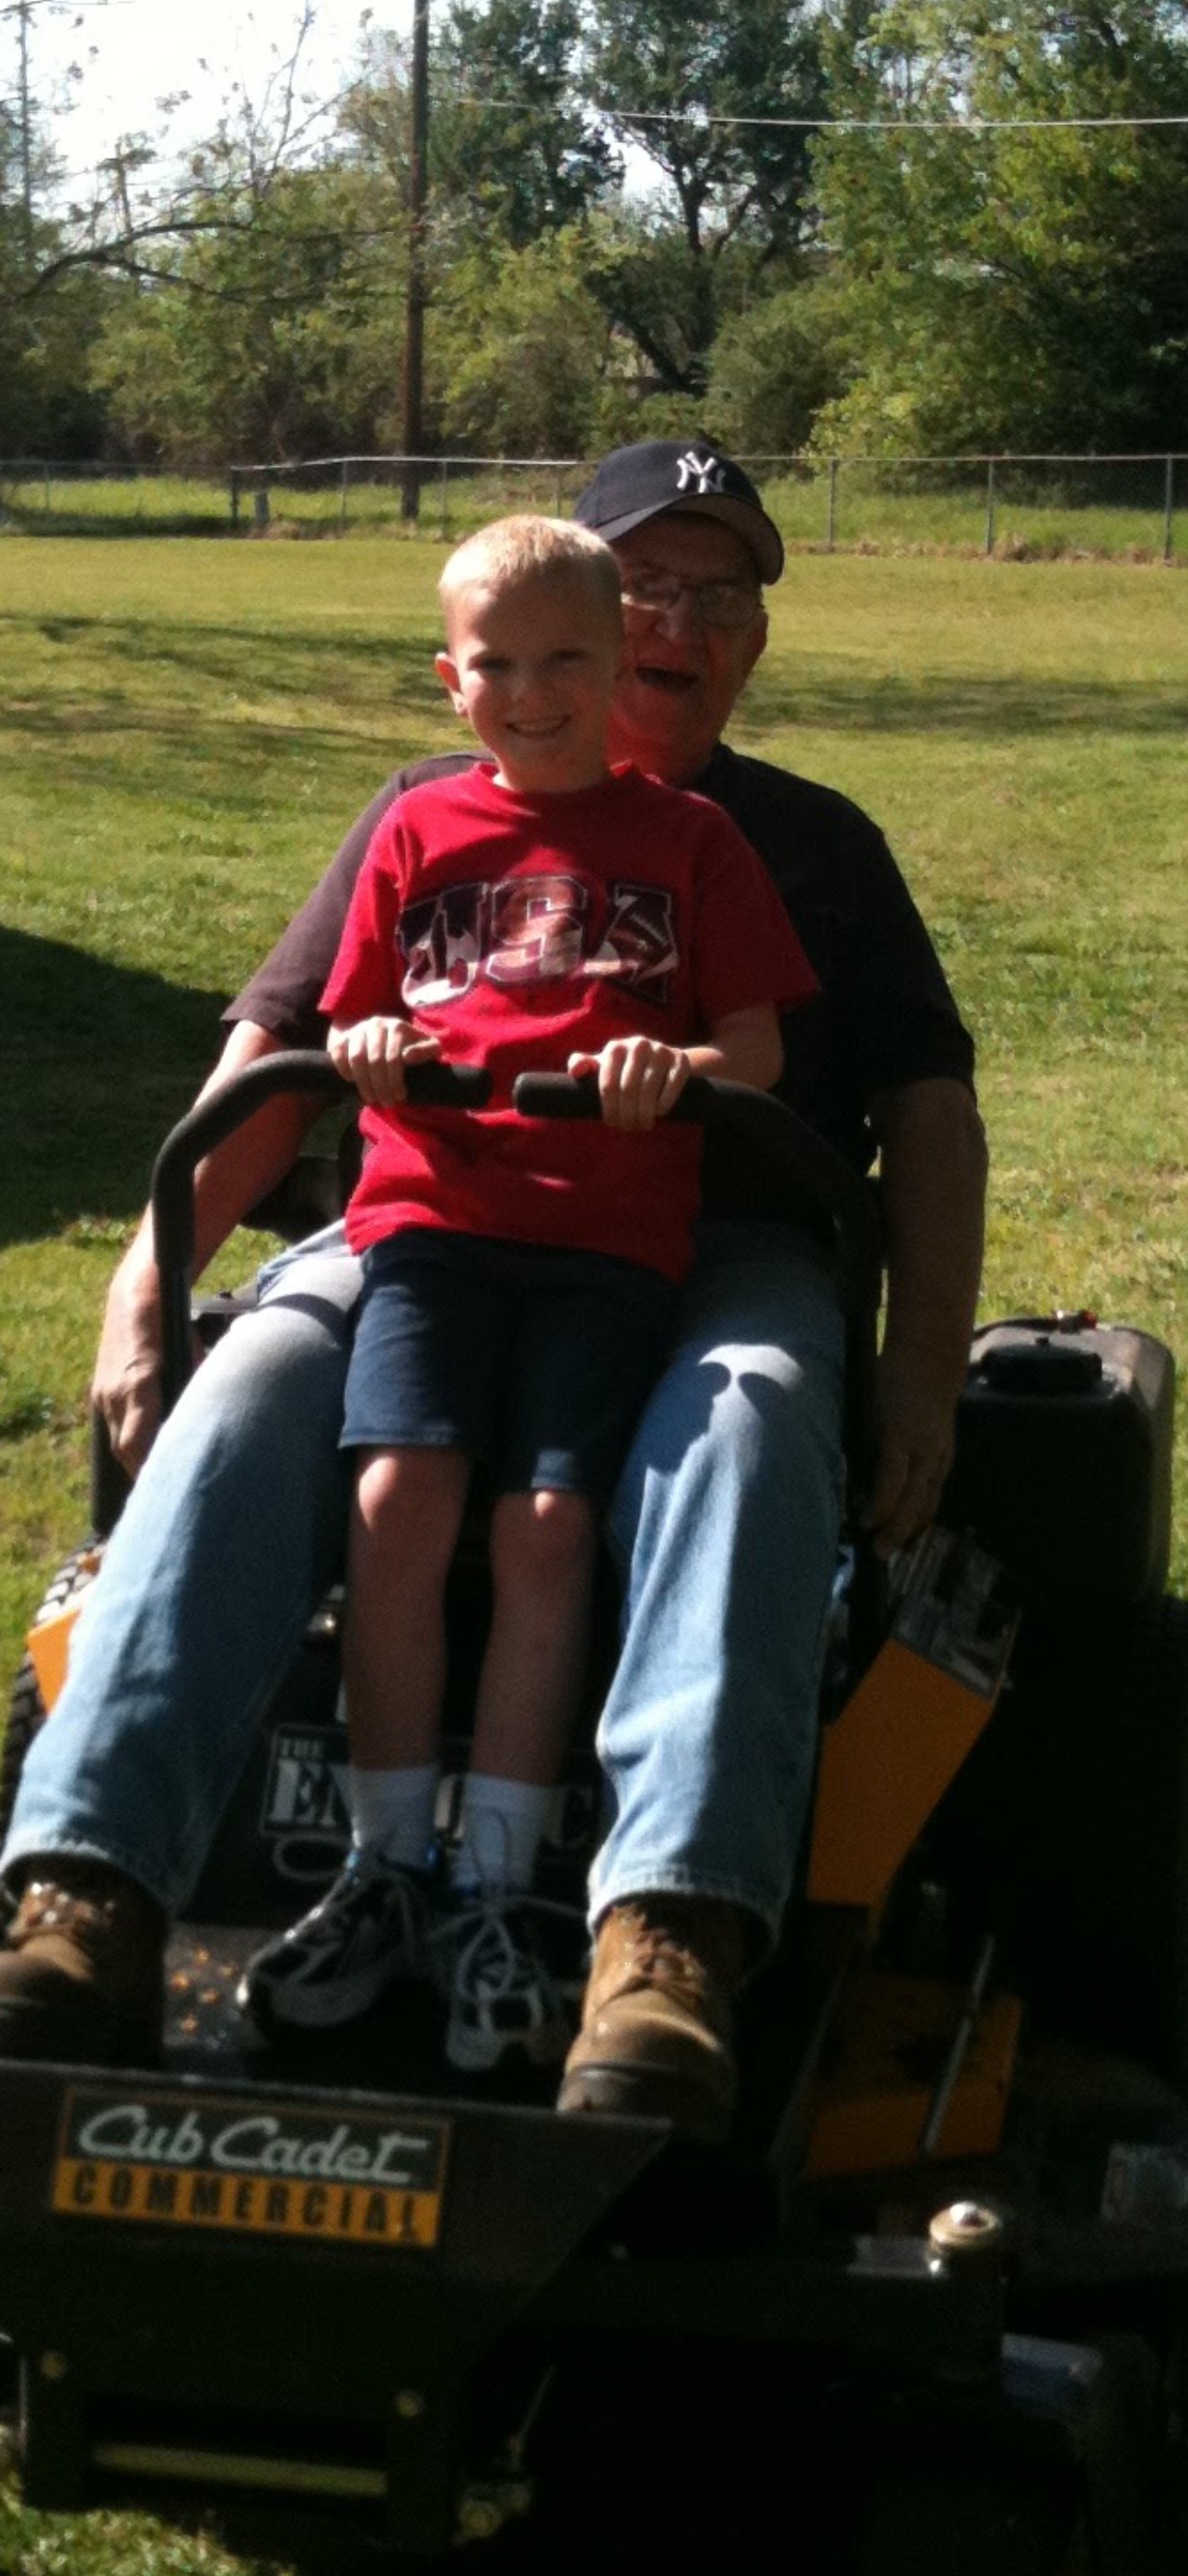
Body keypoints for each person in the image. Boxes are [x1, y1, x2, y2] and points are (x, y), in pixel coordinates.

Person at [0, 438, 986, 2143]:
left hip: (712, 1245)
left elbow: (928, 1114)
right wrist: (148, 1280)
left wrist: (921, 1374)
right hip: (428, 1222)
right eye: (649, 578)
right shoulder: (418, 815)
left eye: (716, 596)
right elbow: (279, 1056)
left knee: (746, 1426)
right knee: (241, 1394)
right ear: (507, 640)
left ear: (727, 644)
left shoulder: (809, 844)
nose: (678, 619)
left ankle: (664, 1931)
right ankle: (87, 1887)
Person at [239, 512, 810, 2073]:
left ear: (623, 666)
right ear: (449, 679)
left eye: (568, 660)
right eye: (498, 664)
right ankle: (384, 1861)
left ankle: (501, 1881)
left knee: (548, 1527)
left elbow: (752, 1052)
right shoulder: (419, 834)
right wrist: (359, 1055)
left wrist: (667, 1069)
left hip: (603, 1241)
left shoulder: (689, 845)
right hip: (430, 1222)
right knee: (395, 1506)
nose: (532, 691)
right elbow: (350, 1020)